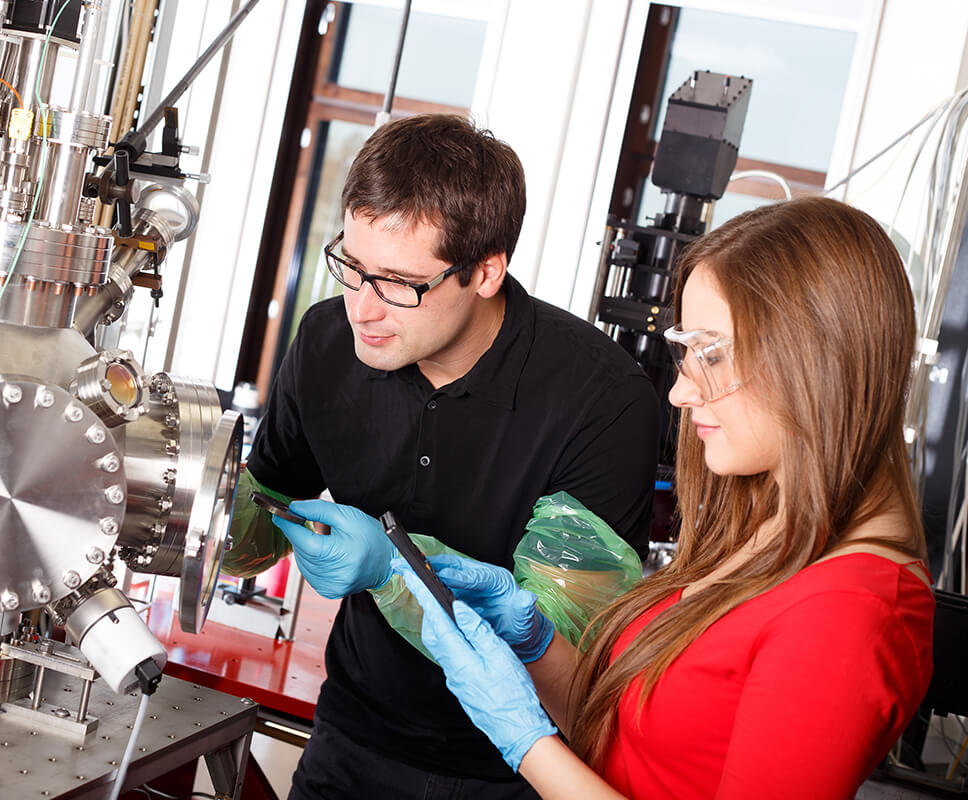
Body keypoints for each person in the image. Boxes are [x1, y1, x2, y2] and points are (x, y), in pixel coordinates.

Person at [394, 195, 936, 799]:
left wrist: (527, 744)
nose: (679, 392)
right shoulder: (768, 533)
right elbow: (642, 748)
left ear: (815, 360)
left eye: (709, 354)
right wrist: (535, 645)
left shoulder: (850, 613)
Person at [224, 113, 660, 798]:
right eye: (352, 267)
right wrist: (169, 495)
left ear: (485, 272)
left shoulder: (603, 401)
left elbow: (552, 654)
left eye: (399, 282)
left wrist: (389, 569)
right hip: (350, 737)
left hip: (514, 770)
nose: (362, 309)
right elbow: (257, 517)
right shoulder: (328, 341)